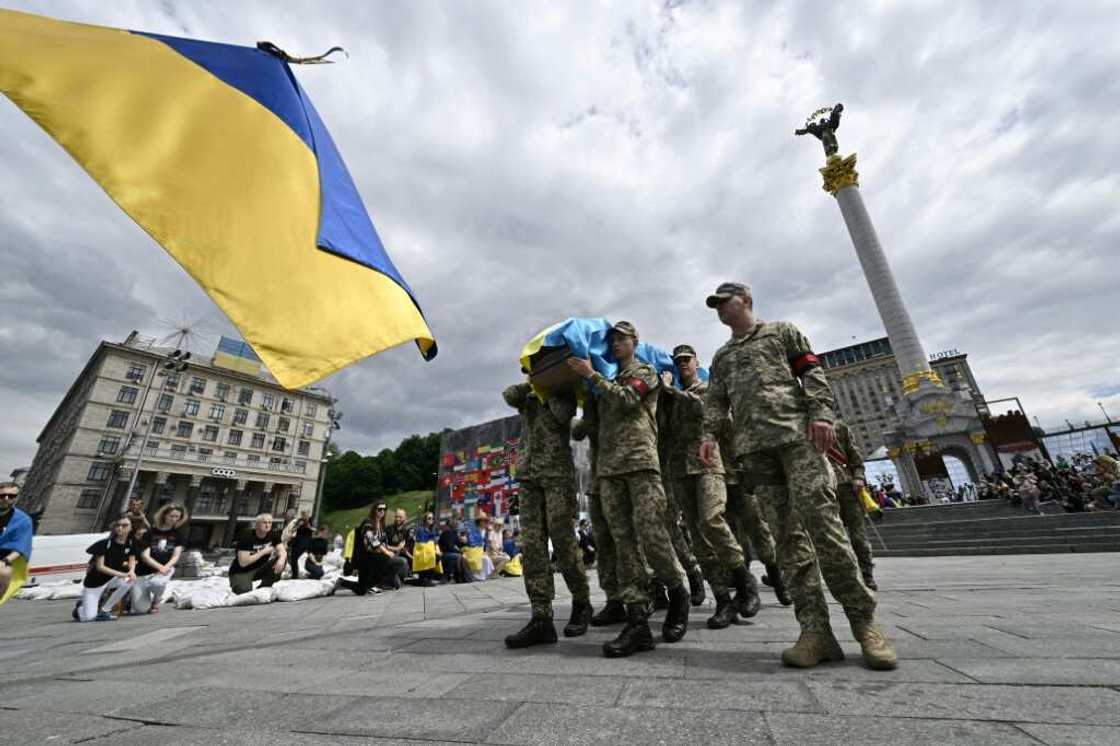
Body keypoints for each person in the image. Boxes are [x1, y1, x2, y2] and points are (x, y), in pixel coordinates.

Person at [699, 282, 896, 670]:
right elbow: (716, 401)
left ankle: (864, 623)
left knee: (826, 530)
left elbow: (813, 374)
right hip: (757, 452)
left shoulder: (782, 332)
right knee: (787, 542)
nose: (722, 310)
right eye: (716, 306)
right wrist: (708, 435)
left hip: (797, 441)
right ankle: (815, 631)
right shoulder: (722, 357)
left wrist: (821, 414)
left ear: (747, 300)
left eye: (727, 302)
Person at [566, 321, 690, 657]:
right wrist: (576, 408)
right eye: (612, 340)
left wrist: (593, 376)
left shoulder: (645, 372)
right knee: (623, 544)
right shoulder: (602, 383)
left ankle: (678, 593)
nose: (616, 344)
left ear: (635, 341)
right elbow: (589, 425)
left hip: (640, 463)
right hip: (608, 470)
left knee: (652, 535)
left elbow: (627, 400)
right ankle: (637, 622)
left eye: (622, 338)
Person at [660, 343, 760, 629]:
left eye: (686, 360)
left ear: (696, 361)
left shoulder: (706, 388)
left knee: (712, 519)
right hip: (680, 470)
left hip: (707, 465)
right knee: (697, 535)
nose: (682, 365)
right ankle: (722, 600)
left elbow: (703, 410)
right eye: (677, 362)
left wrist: (671, 391)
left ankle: (744, 582)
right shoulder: (670, 398)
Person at [502, 382, 592, 648]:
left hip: (556, 475)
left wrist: (547, 390)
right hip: (528, 476)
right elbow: (508, 395)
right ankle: (541, 617)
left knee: (564, 543)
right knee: (531, 547)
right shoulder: (528, 392)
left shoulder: (561, 390)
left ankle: (581, 602)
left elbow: (563, 415)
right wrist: (533, 383)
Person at [828, 420, 877, 590]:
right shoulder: (799, 428)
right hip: (822, 491)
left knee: (858, 536)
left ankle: (867, 573)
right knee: (833, 538)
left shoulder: (839, 428)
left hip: (847, 488)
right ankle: (846, 576)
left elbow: (855, 457)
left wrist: (858, 477)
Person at [75, 515, 137, 622]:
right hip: (95, 583)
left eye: (125, 525)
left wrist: (131, 571)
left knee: (130, 580)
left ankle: (105, 610)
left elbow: (132, 561)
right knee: (89, 618)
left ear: (131, 528)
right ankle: (81, 608)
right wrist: (122, 574)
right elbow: (100, 567)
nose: (120, 528)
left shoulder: (131, 544)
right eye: (118, 525)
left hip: (111, 580)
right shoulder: (105, 544)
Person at [339, 503, 408, 594]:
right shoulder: (368, 522)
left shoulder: (381, 525)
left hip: (375, 558)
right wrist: (386, 552)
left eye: (384, 509)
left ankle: (379, 582)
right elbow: (371, 540)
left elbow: (384, 544)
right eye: (380, 509)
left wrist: (396, 548)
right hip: (365, 559)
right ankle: (342, 582)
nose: (382, 511)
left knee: (362, 589)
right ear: (374, 510)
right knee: (400, 561)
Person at [131, 503, 188, 614]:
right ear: (164, 516)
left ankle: (156, 600)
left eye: (177, 517)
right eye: (171, 516)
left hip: (165, 569)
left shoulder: (178, 535)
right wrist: (159, 567)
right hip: (143, 572)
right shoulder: (150, 533)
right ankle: (144, 596)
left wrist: (165, 568)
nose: (174, 519)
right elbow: (145, 556)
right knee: (140, 609)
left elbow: (176, 556)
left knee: (158, 583)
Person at [228, 514, 286, 595]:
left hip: (259, 568)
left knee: (281, 560)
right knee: (243, 591)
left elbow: (282, 551)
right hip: (241, 571)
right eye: (264, 522)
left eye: (270, 523)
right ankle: (238, 582)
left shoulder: (273, 535)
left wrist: (281, 560)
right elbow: (243, 563)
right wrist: (263, 552)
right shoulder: (247, 537)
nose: (267, 525)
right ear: (257, 524)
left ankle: (264, 587)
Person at [0, 482, 34, 606]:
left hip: (5, 555)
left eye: (11, 496)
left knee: (3, 572)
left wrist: (4, 561)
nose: (6, 499)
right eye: (2, 496)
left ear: (16, 497)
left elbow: (21, 546)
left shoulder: (23, 520)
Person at [413, 512, 443, 586]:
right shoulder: (420, 529)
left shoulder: (433, 530)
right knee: (433, 555)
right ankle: (425, 579)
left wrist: (437, 550)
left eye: (432, 518)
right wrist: (432, 547)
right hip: (421, 552)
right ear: (425, 519)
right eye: (429, 518)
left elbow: (435, 542)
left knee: (437, 555)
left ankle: (427, 578)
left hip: (430, 551)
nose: (431, 520)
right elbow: (420, 544)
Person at [285, 510, 314, 579]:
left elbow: (313, 529)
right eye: (302, 514)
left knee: (294, 558)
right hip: (297, 541)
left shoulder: (310, 521)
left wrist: (307, 526)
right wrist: (298, 526)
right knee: (293, 558)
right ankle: (294, 573)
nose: (303, 516)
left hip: (304, 542)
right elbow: (293, 529)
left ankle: (295, 574)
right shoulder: (299, 521)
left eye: (305, 514)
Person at [386, 509, 415, 577]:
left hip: (405, 554)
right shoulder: (388, 529)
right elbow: (384, 545)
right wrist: (396, 548)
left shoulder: (409, 530)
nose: (397, 519)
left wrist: (411, 557)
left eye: (400, 517)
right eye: (396, 517)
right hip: (390, 554)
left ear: (405, 518)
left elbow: (407, 547)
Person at [438, 517, 462, 583]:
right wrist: (460, 551)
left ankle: (456, 577)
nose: (456, 525)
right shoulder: (447, 533)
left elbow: (458, 544)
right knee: (456, 556)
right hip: (445, 554)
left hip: (448, 553)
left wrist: (463, 542)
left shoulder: (454, 533)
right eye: (454, 523)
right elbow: (450, 547)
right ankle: (447, 576)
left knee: (457, 556)